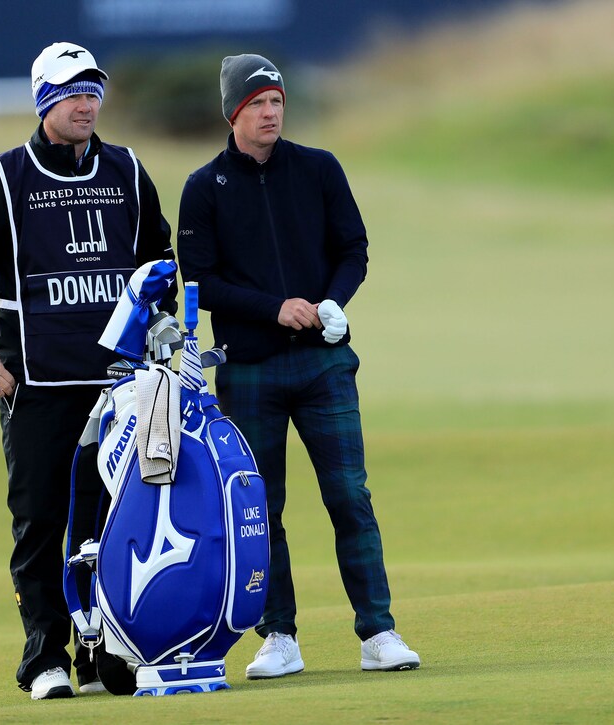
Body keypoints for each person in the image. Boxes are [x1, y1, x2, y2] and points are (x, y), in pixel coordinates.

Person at [0, 42, 176, 699]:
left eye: (93, 89)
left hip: (119, 388)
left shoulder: (126, 170)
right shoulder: (4, 180)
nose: (86, 101)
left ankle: (107, 652)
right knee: (40, 523)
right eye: (72, 91)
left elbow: (159, 258)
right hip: (37, 387)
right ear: (44, 100)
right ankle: (46, 658)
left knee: (115, 523)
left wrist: (159, 320)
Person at [176, 53, 420, 678]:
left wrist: (333, 303)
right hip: (250, 369)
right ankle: (278, 635)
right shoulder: (205, 188)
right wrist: (272, 309)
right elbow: (201, 280)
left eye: (277, 101)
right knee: (263, 507)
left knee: (349, 496)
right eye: (257, 103)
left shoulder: (318, 169)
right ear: (233, 111)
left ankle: (379, 632)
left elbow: (353, 249)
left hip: (322, 364)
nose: (270, 113)